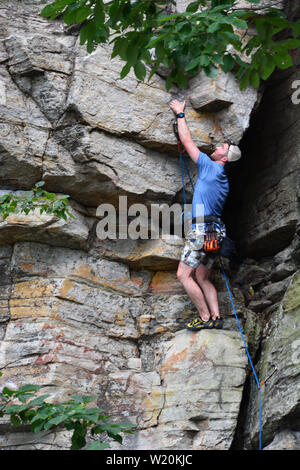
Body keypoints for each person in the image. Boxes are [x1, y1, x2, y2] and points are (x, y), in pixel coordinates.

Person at [169, 98, 241, 331]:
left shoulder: (211, 168)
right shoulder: (224, 181)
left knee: (183, 275)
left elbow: (188, 141)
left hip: (201, 231)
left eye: (222, 148)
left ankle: (205, 317)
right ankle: (216, 317)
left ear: (223, 158)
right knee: (203, 277)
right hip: (216, 234)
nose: (217, 147)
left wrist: (180, 114)